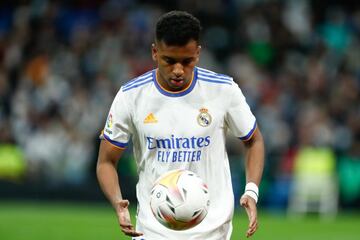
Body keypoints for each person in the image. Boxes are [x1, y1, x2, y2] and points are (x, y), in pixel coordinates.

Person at [96, 10, 265, 240]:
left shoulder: (223, 90)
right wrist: (118, 202)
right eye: (169, 60)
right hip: (152, 230)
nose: (178, 70)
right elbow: (106, 160)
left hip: (212, 231)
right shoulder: (131, 95)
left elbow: (253, 139)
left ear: (198, 53)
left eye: (187, 61)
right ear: (155, 52)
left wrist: (251, 191)